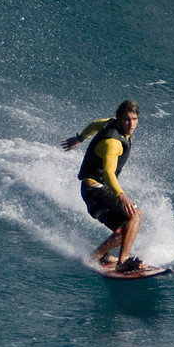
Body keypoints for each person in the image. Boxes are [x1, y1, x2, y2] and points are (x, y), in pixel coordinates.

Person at [63, 100, 144, 272]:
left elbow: (95, 124)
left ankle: (97, 256)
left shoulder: (109, 122)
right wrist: (122, 196)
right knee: (134, 216)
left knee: (127, 226)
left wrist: (80, 138)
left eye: (135, 119)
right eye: (127, 120)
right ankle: (123, 262)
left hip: (94, 189)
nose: (131, 124)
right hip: (94, 190)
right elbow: (108, 172)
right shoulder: (113, 143)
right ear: (119, 118)